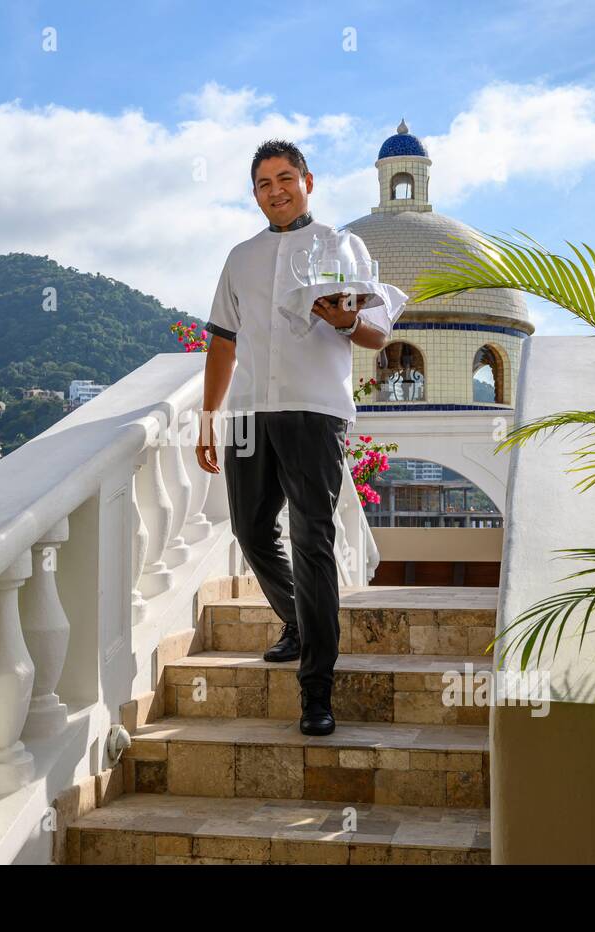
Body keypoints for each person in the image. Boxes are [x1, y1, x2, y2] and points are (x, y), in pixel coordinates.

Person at [195, 139, 392, 736]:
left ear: (308, 180)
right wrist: (209, 415)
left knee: (312, 540)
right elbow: (224, 342)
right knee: (251, 530)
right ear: (254, 193)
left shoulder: (342, 245)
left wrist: (347, 321)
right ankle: (297, 621)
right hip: (252, 414)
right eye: (263, 183)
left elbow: (378, 333)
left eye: (285, 178)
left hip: (314, 412)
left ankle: (316, 690)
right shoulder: (240, 258)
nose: (275, 190)